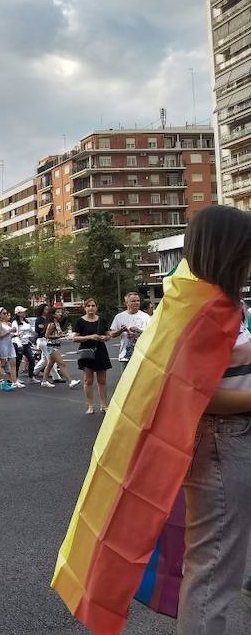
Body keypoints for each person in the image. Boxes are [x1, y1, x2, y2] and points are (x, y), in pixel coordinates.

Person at [171, 206, 251, 634]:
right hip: (222, 441)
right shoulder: (202, 310)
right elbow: (194, 395)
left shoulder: (216, 303)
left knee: (220, 561)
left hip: (231, 439)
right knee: (213, 568)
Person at [71, 298, 112, 414]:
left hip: (100, 351)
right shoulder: (80, 321)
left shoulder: (101, 320)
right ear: (85, 308)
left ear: (96, 307)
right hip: (86, 352)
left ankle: (104, 405)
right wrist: (90, 337)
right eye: (88, 306)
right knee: (88, 381)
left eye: (93, 305)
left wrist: (105, 337)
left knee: (102, 380)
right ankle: (90, 406)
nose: (91, 308)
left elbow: (109, 335)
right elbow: (74, 338)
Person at [40, 308, 81, 390]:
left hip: (56, 345)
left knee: (50, 364)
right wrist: (60, 336)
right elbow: (47, 336)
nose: (60, 314)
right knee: (62, 364)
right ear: (53, 314)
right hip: (51, 346)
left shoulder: (57, 323)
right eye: (58, 312)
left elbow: (58, 333)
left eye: (60, 312)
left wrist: (64, 333)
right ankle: (70, 381)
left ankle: (44, 381)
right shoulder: (52, 324)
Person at [109, 292, 150, 370]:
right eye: (133, 301)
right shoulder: (119, 317)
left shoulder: (146, 317)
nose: (136, 303)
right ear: (126, 303)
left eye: (138, 301)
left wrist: (138, 332)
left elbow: (151, 334)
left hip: (141, 356)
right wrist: (121, 330)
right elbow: (112, 334)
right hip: (125, 356)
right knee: (125, 381)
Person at [12, 306, 39, 384]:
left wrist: (37, 335)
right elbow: (15, 334)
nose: (24, 313)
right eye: (22, 312)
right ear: (18, 313)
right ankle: (15, 378)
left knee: (32, 359)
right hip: (18, 344)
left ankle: (31, 377)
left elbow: (32, 331)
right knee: (18, 361)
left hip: (26, 343)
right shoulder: (15, 322)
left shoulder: (26, 322)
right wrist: (19, 344)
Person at [0, 308, 18, 389]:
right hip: (2, 344)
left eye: (6, 313)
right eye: (3, 313)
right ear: (0, 315)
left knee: (13, 362)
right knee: (1, 363)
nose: (5, 315)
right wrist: (9, 331)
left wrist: (14, 333)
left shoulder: (8, 323)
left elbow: (10, 334)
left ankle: (14, 382)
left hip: (9, 344)